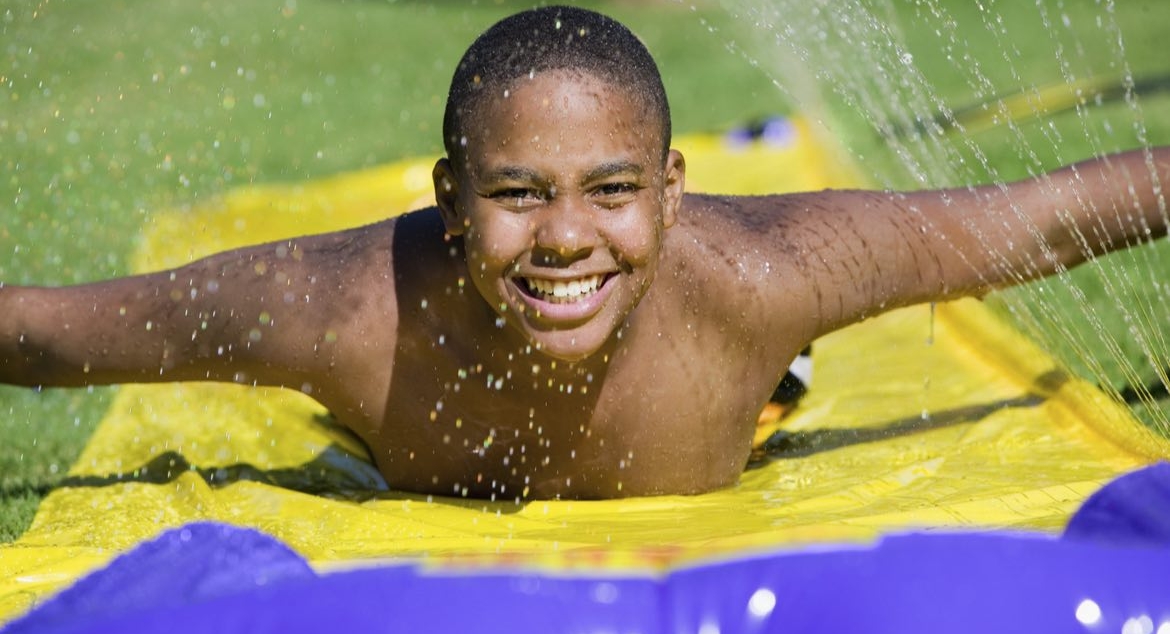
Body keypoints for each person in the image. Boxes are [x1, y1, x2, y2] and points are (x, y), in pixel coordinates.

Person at [1, 6, 1168, 500]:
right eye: (517, 194)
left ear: (670, 195)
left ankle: (776, 392)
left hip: (738, 373)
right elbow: (52, 330)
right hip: (391, 426)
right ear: (449, 200)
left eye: (610, 191)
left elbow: (1039, 219)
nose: (564, 235)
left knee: (771, 384)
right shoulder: (337, 311)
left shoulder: (768, 274)